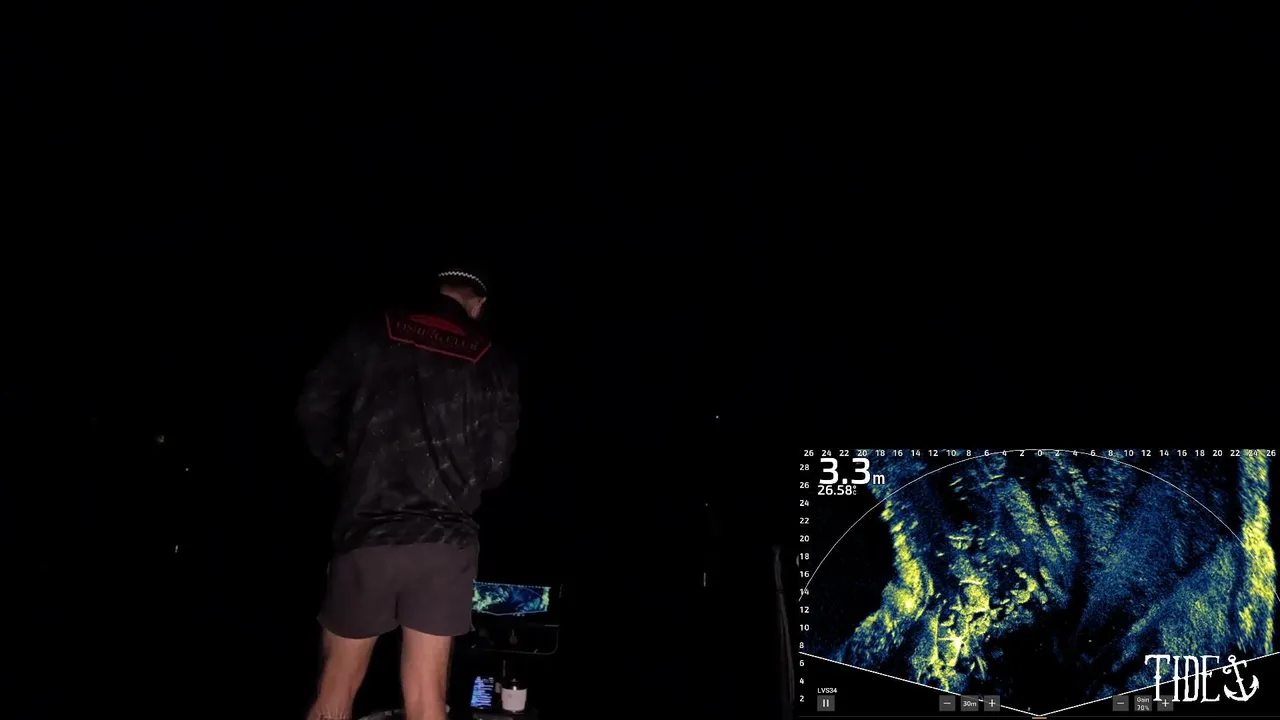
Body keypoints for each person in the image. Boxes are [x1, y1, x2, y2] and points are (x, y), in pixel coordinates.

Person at [297, 267, 520, 720]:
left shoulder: (370, 331)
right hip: (445, 541)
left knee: (335, 689)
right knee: (426, 698)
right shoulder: (493, 360)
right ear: (478, 305)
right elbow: (496, 468)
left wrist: (350, 466)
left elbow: (313, 409)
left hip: (369, 530)